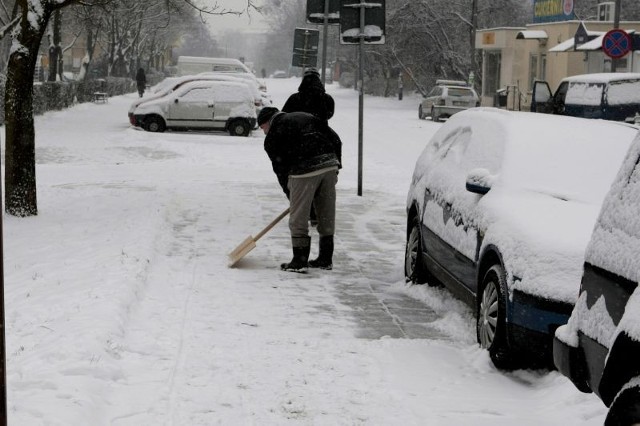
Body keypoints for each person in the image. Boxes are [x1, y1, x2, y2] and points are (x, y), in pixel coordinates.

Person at [258, 106, 342, 273]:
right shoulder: (307, 116)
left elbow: (281, 169)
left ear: (268, 122)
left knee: (298, 219)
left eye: (262, 128)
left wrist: (292, 196)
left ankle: (299, 261)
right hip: (329, 165)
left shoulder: (273, 135)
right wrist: (336, 166)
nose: (264, 132)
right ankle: (325, 259)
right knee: (326, 212)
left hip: (303, 170)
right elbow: (336, 140)